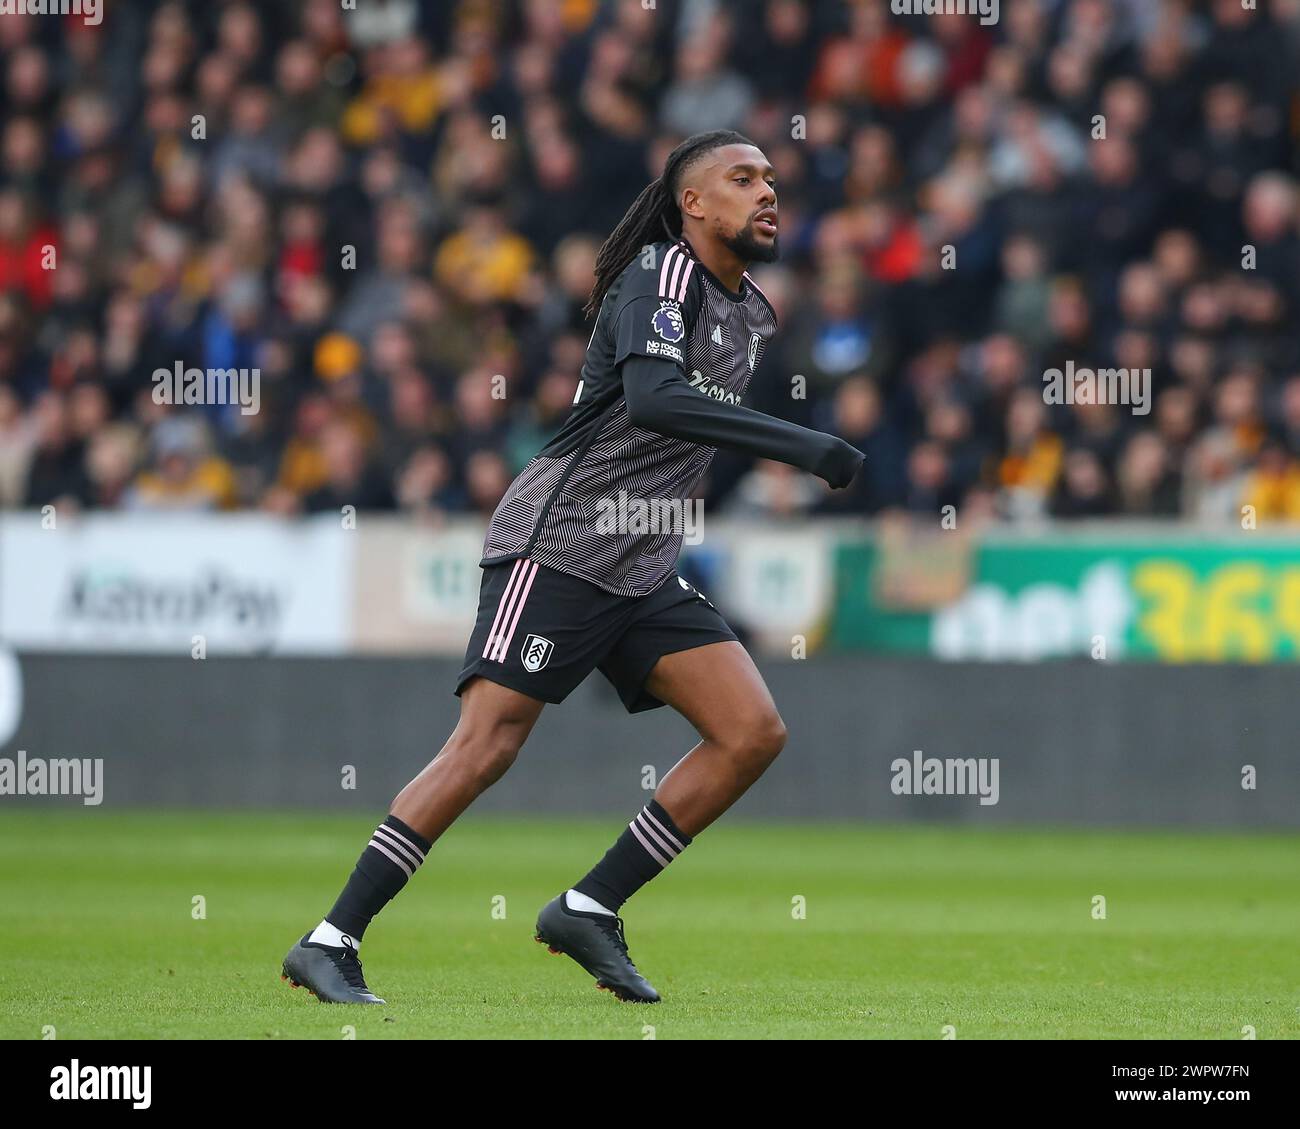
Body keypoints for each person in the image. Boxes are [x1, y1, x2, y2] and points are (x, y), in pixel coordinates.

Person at [281, 130, 866, 1004]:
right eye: (743, 179)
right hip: (562, 539)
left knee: (751, 730)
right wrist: (808, 446)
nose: (768, 192)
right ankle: (331, 938)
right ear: (692, 204)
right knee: (487, 745)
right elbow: (656, 397)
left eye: (771, 180)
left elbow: (687, 433)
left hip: (644, 555)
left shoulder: (755, 314)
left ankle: (589, 905)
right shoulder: (659, 276)